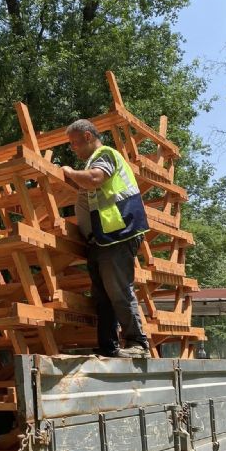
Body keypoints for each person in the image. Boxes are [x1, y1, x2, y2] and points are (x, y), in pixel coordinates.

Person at [62, 119, 150, 359]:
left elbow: (94, 180)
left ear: (88, 136)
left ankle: (138, 344)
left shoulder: (105, 155)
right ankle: (108, 346)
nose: (73, 149)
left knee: (118, 289)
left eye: (75, 143)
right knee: (103, 296)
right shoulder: (93, 161)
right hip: (102, 239)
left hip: (118, 234)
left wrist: (69, 172)